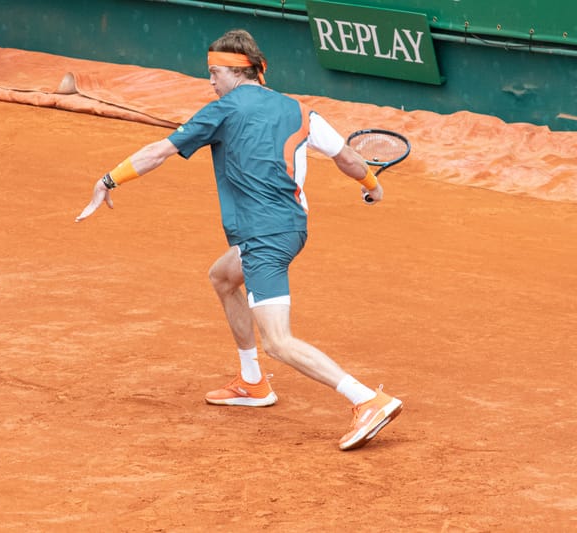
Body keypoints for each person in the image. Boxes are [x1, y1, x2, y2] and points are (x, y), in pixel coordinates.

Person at [76, 29, 402, 451]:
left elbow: (159, 151)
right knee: (224, 277)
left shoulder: (221, 111)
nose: (210, 82)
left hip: (265, 235)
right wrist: (372, 185)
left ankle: (367, 399)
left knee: (279, 341)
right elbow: (347, 158)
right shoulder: (301, 111)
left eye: (213, 73)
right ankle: (252, 382)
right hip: (288, 227)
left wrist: (108, 181)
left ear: (234, 72)